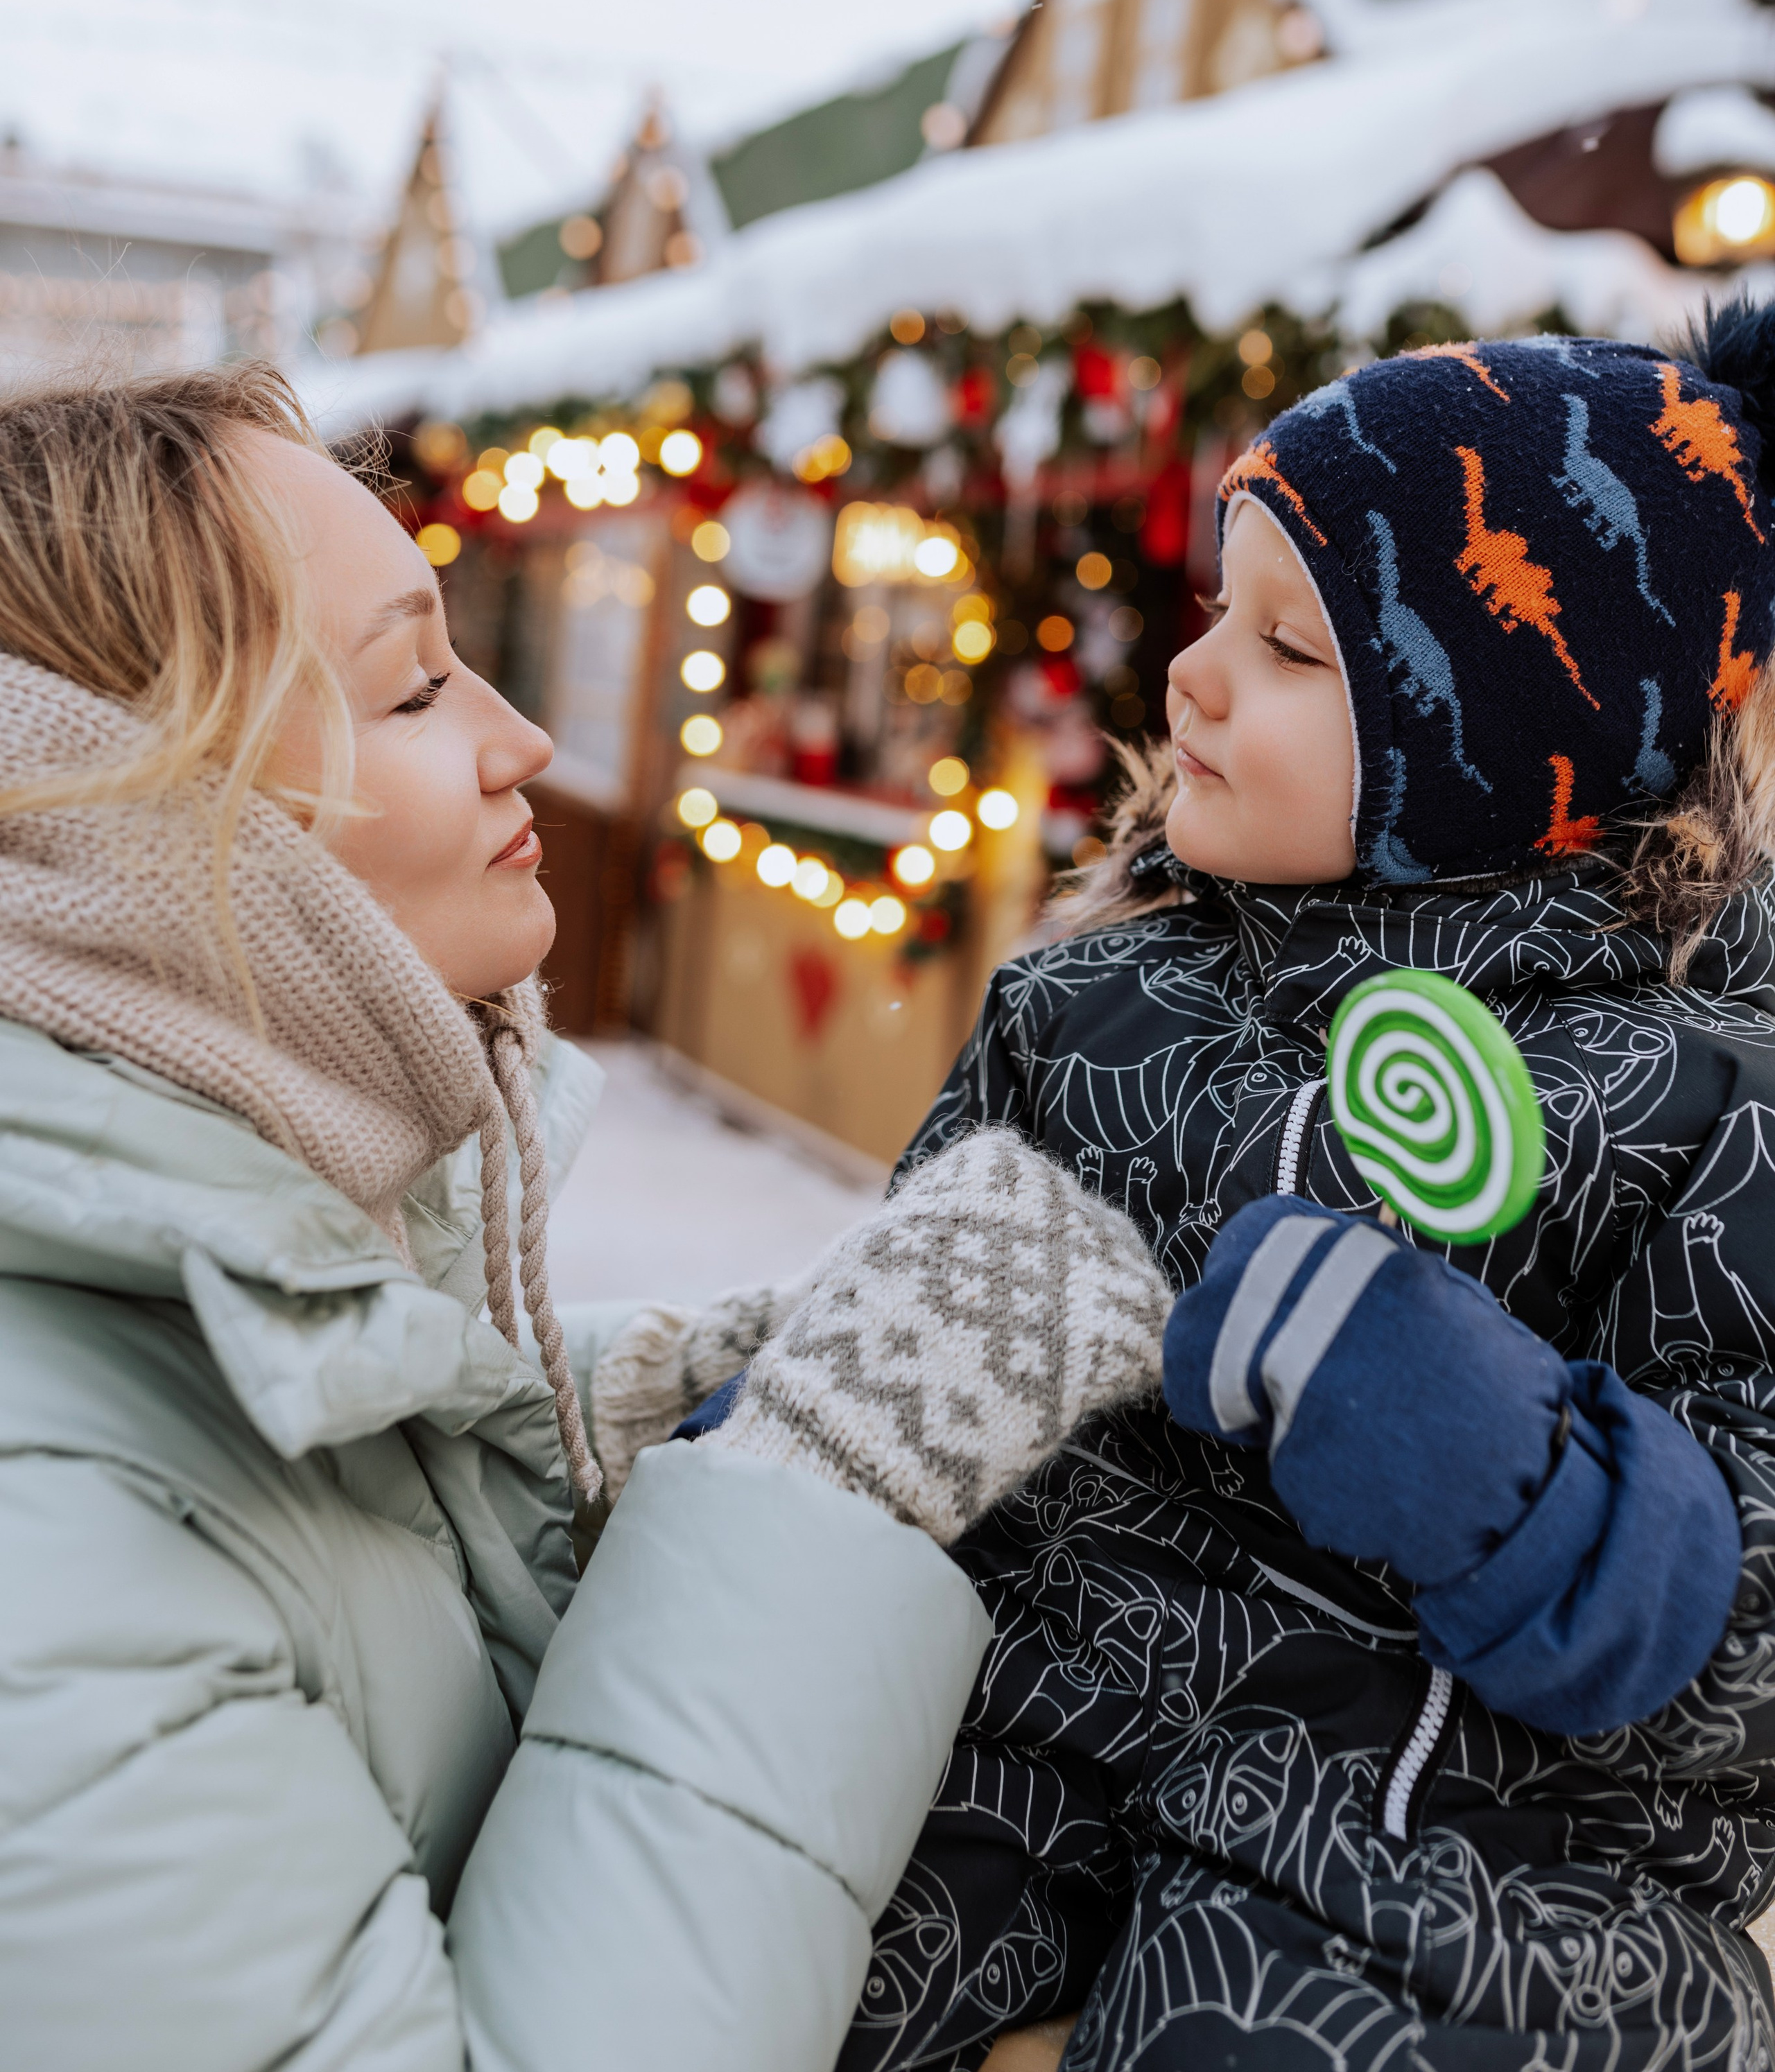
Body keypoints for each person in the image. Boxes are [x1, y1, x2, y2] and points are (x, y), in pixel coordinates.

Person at [0, 363, 1175, 2072]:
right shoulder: (51, 1555)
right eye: (412, 690)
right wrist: (804, 1494)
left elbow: (322, 1513)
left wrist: (655, 1403)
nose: (518, 737)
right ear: (128, 830)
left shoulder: (212, 1289)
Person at [813, 309, 1775, 2069]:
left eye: (1286, 649)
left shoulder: (1701, 1103)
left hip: (1465, 1819)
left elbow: (1746, 1652)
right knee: (777, 1936)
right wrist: (793, 1441)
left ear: (1505, 737)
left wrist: (1509, 1472)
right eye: (1211, 614)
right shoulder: (1086, 1003)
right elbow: (894, 1366)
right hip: (1041, 1722)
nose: (1188, 678)